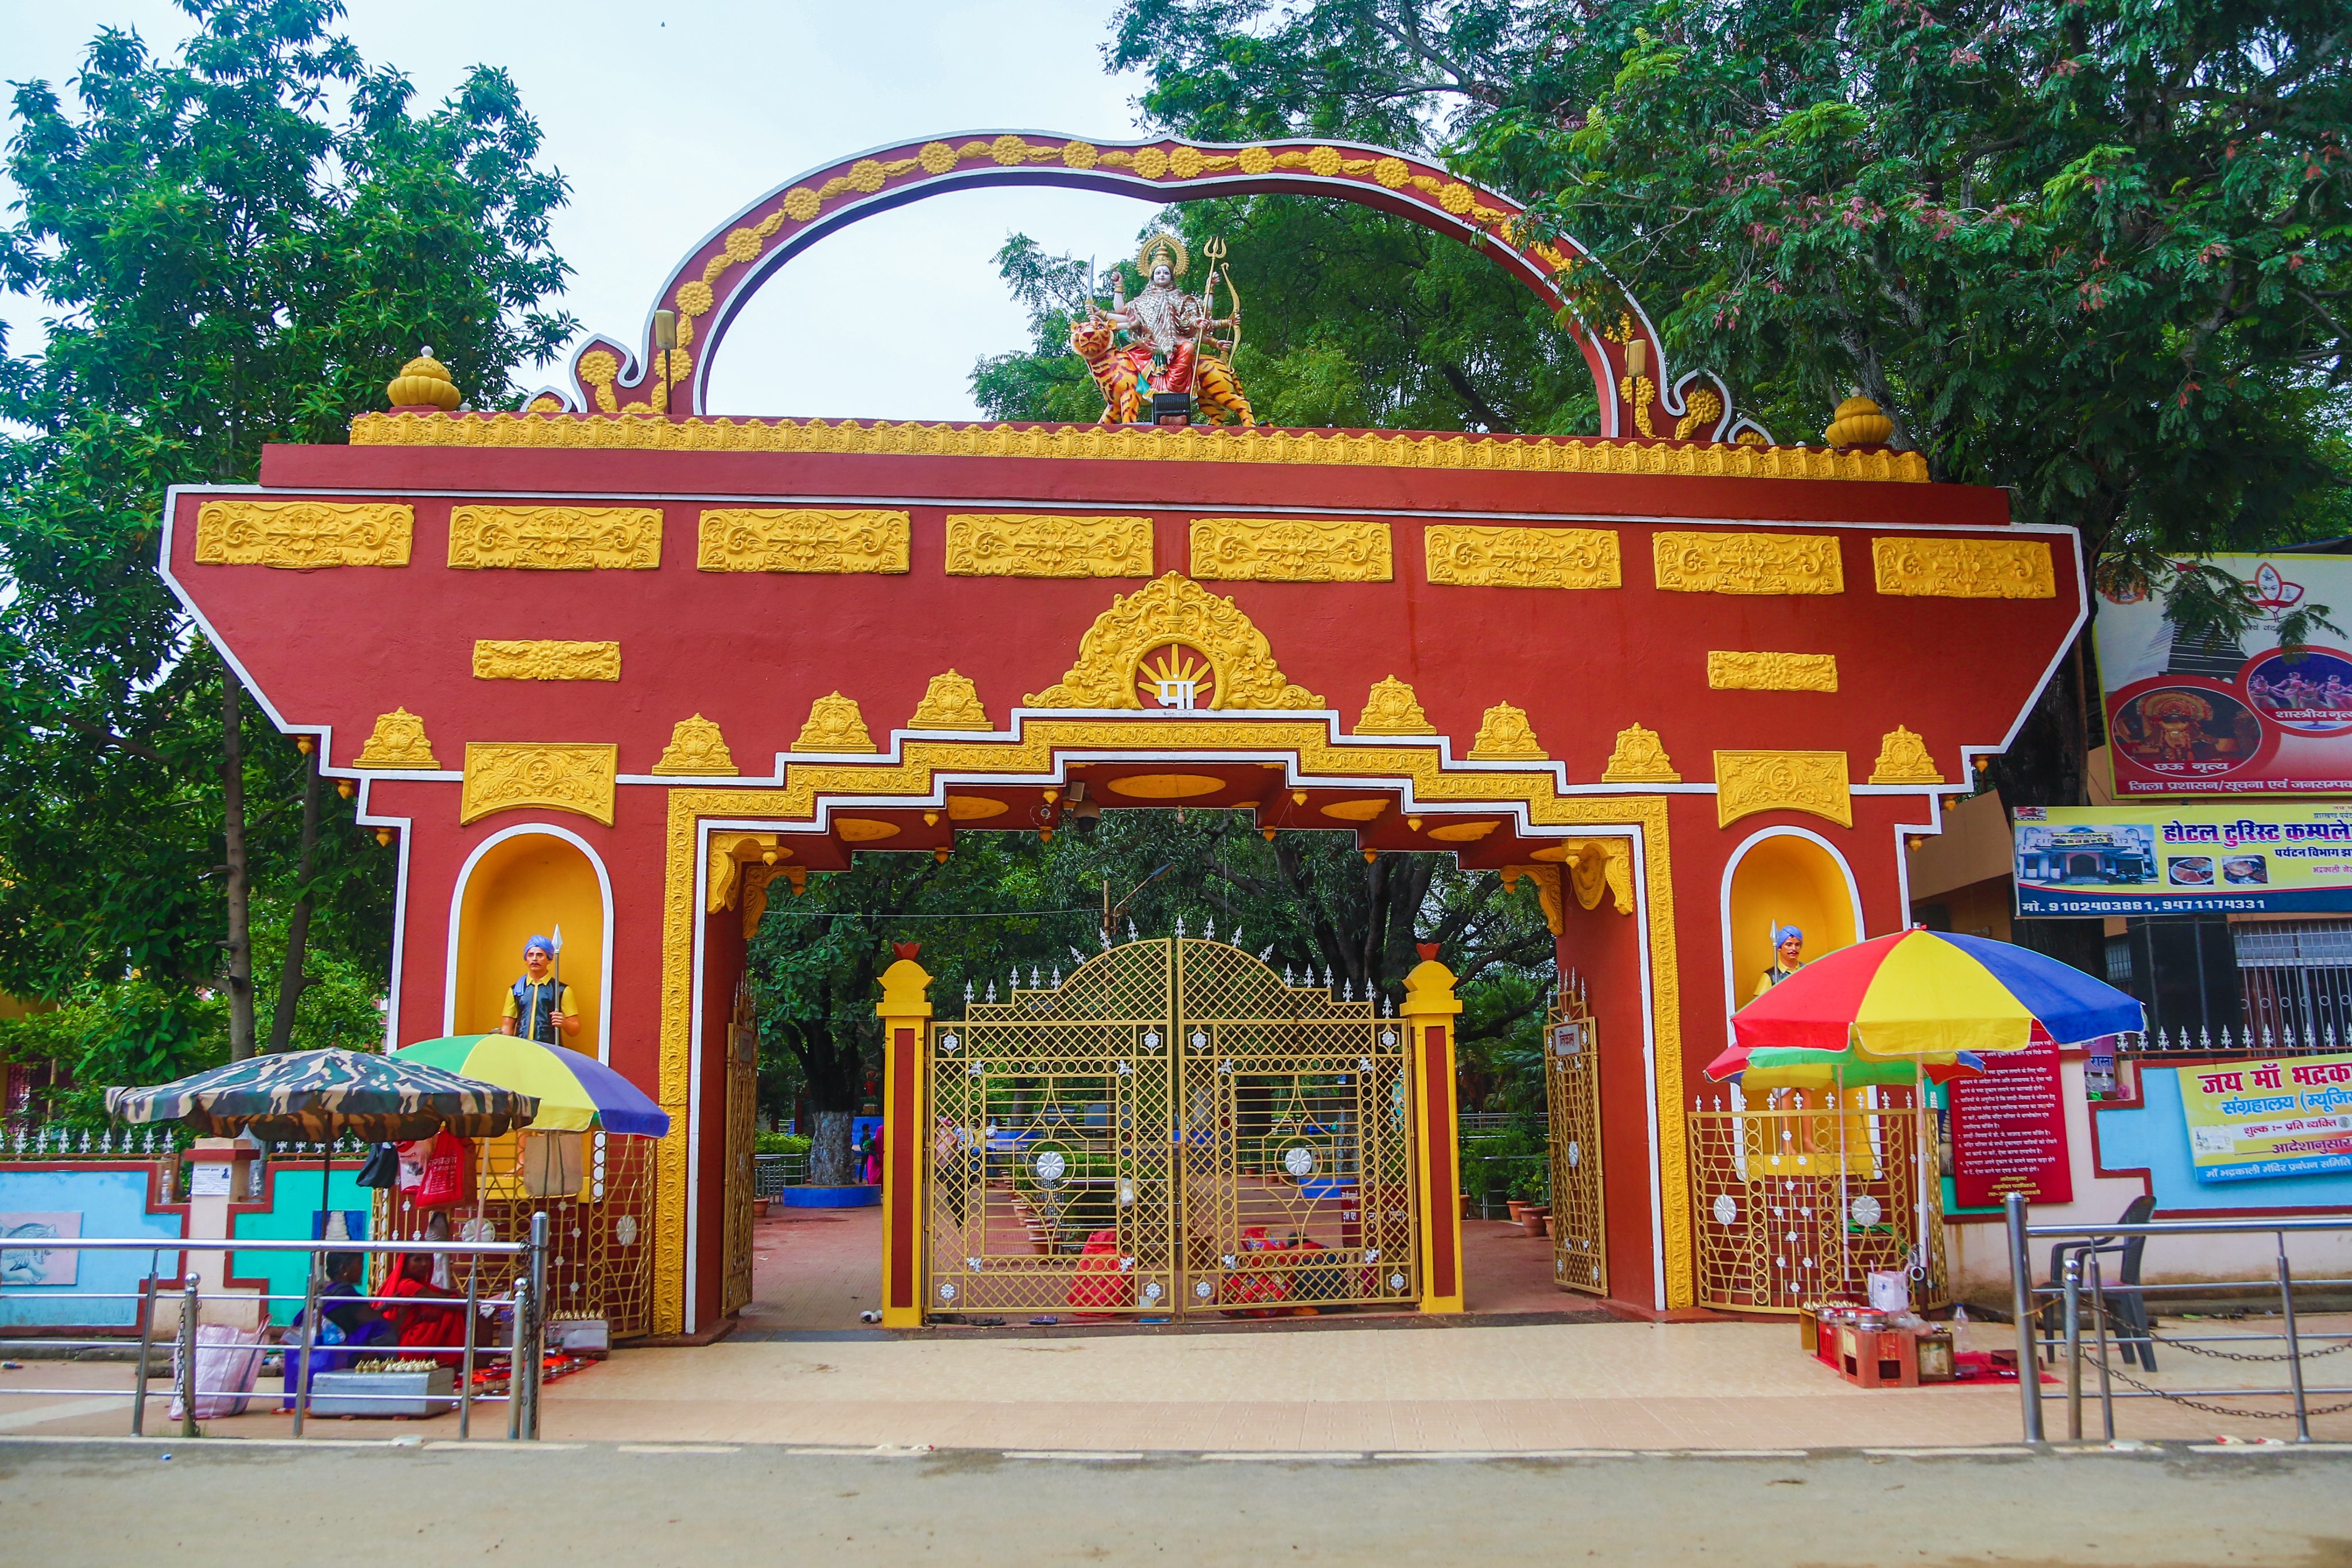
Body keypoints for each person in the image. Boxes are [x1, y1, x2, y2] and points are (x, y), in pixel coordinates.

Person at [280, 1252, 391, 1409]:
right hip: (333, 1351)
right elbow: (376, 1321)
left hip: (315, 1347)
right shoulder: (346, 1294)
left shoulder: (326, 1290)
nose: (362, 1268)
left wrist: (382, 1309)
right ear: (344, 1268)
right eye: (359, 1264)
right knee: (382, 1329)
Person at [384, 1252, 466, 1368]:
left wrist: (457, 1293)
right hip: (406, 1345)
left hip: (411, 1341)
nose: (424, 1264)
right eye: (417, 1260)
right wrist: (461, 1298)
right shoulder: (407, 1285)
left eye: (427, 1259)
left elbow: (445, 1293)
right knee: (447, 1311)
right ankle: (450, 1359)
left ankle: (449, 1357)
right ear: (406, 1263)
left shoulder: (421, 1284)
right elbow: (454, 1304)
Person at [501, 934, 579, 1044]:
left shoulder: (561, 990)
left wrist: (565, 1023)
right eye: (530, 955)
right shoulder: (516, 991)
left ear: (549, 959)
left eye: (540, 955)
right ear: (526, 959)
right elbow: (507, 1026)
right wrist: (501, 1040)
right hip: (521, 1047)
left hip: (550, 1048)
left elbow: (575, 1029)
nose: (534, 959)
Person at [1754, 925, 1806, 998]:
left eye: (1797, 945)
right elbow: (1759, 1005)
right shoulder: (1771, 976)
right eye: (1789, 945)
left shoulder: (1807, 970)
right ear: (1779, 948)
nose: (1794, 949)